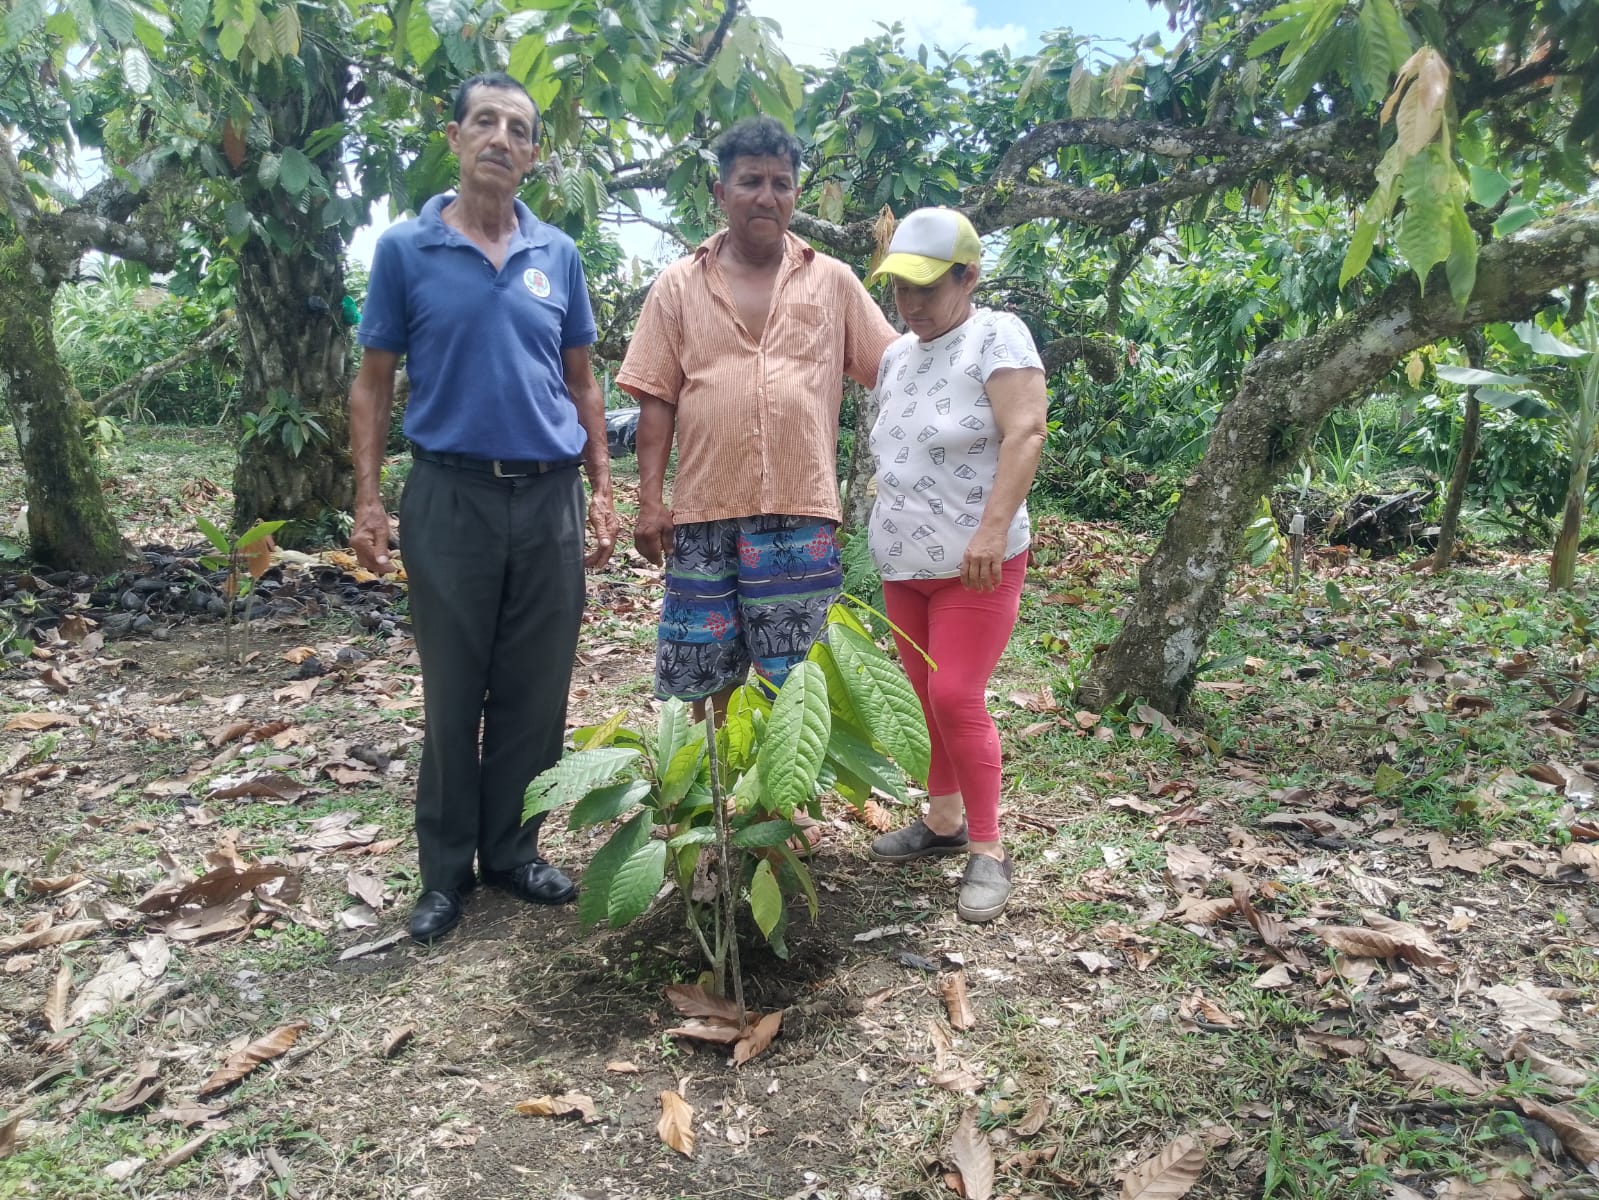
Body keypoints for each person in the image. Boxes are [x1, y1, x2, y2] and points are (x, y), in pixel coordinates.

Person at [348, 72, 619, 945]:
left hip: (547, 497)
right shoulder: (405, 250)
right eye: (486, 122)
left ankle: (512, 852)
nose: (501, 138)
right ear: (457, 137)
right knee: (453, 687)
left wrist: (602, 488)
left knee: (536, 689)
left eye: (519, 129)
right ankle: (443, 873)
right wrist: (367, 500)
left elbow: (582, 382)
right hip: (450, 494)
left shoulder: (558, 256)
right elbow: (373, 383)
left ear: (534, 154)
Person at [617, 116, 897, 708]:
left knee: (797, 687)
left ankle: (778, 777)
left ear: (796, 193)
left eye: (780, 183)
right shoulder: (677, 285)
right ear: (722, 193)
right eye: (750, 181)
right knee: (705, 677)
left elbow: (894, 370)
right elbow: (657, 399)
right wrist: (649, 502)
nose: (766, 196)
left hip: (801, 511)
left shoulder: (834, 281)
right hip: (703, 512)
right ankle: (716, 774)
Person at [863, 208, 1048, 924]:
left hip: (976, 561)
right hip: (903, 561)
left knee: (955, 694)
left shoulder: (996, 334)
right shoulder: (895, 356)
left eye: (927, 287)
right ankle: (942, 821)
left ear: (968, 277)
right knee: (921, 695)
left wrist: (991, 531)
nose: (910, 303)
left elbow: (1025, 431)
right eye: (899, 287)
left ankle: (988, 847)